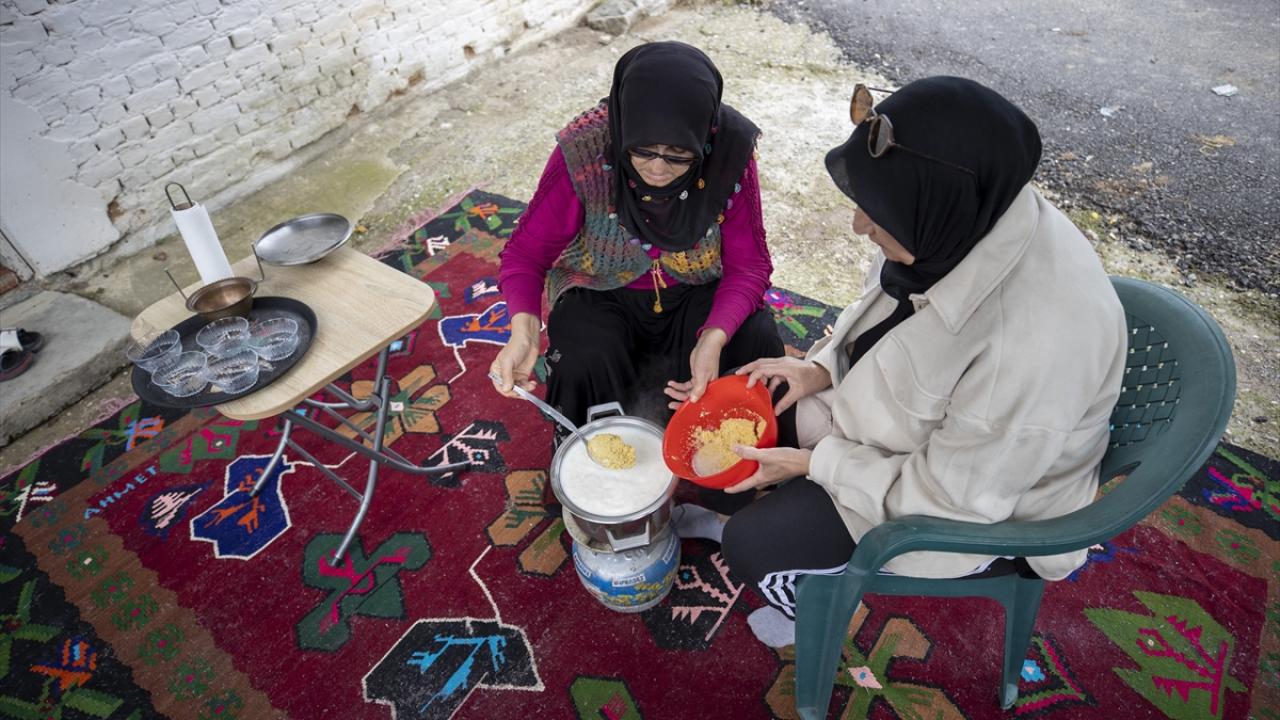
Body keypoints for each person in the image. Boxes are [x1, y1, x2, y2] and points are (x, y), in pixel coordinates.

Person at [670, 76, 1127, 648]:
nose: (861, 226)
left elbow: (951, 503)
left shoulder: (1036, 345)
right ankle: (764, 520)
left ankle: (805, 603)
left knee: (754, 544)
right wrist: (821, 368)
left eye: (876, 211)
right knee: (746, 416)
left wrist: (816, 464)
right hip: (900, 431)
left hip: (971, 510)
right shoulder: (956, 219)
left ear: (935, 206)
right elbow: (885, 316)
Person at [491, 42, 786, 467]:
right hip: (600, 289)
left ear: (704, 140)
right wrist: (523, 331)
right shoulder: (587, 148)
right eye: (642, 150)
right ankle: (597, 478)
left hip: (697, 289)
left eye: (679, 156)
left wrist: (713, 336)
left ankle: (736, 491)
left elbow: (750, 265)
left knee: (752, 338)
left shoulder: (730, 152)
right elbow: (524, 255)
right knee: (581, 354)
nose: (658, 169)